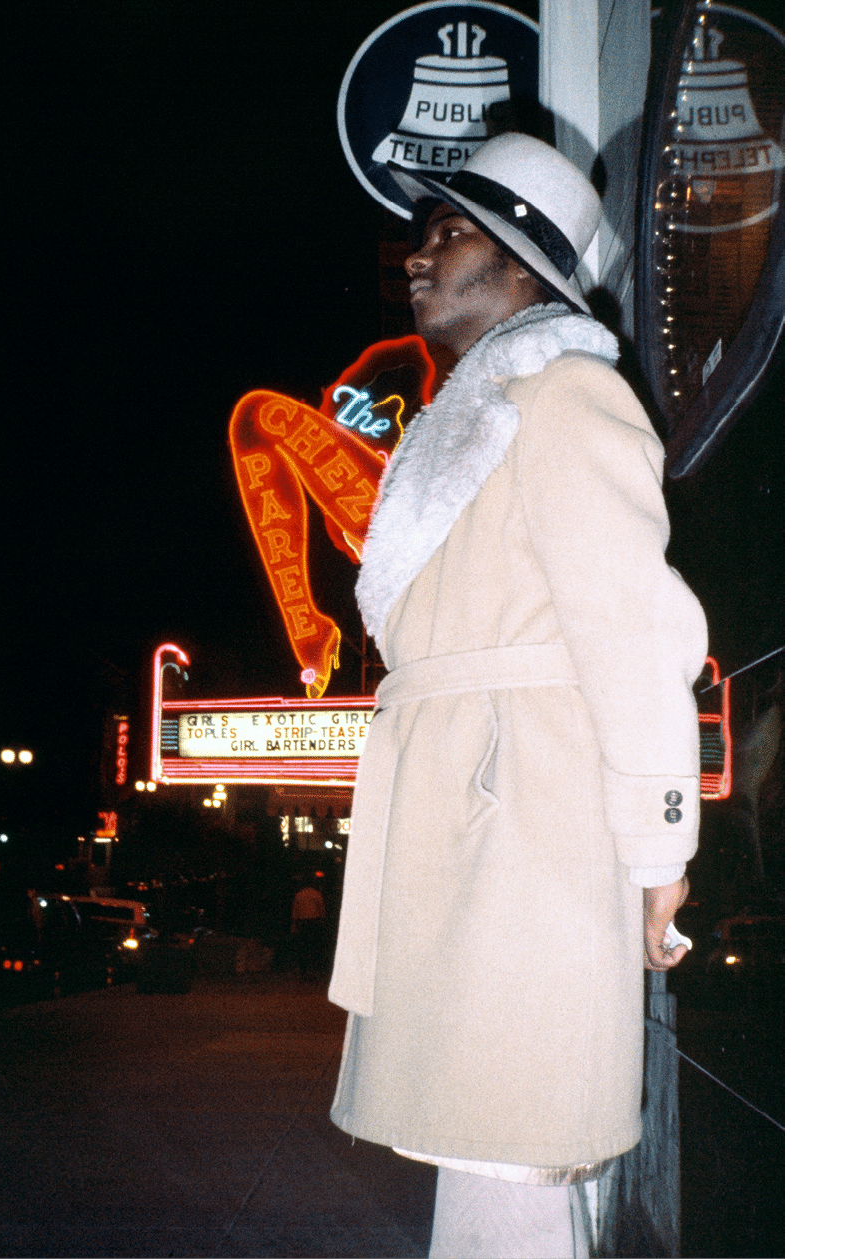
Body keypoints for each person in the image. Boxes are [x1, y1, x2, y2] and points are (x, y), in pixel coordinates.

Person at [327, 133, 708, 1259]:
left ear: (530, 266)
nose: (417, 254)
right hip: (473, 812)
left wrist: (659, 852)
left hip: (528, 821)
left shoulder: (569, 394)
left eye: (451, 233)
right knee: (486, 1143)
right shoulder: (476, 412)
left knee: (514, 1145)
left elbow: (633, 633)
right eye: (422, 232)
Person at [291, 875, 327, 975]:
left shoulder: (299, 895)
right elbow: (321, 909)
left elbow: (295, 911)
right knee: (314, 945)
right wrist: (322, 920)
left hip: (302, 922)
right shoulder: (317, 894)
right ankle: (315, 968)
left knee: (303, 945)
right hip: (314, 922)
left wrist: (294, 924)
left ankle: (303, 968)